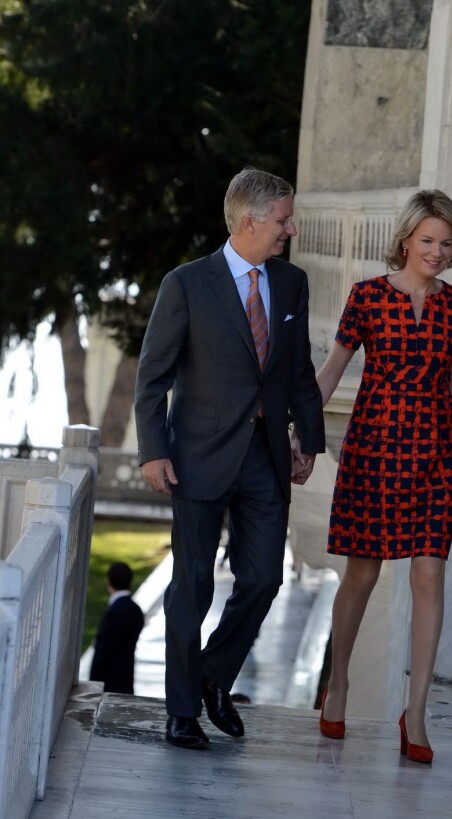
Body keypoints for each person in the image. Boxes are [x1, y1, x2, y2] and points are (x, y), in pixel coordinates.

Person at [134, 167, 325, 751]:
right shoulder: (187, 284)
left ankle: (214, 673)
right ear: (250, 221)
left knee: (264, 578)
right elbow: (152, 377)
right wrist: (152, 452)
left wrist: (309, 439)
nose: (289, 230)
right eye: (283, 220)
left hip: (266, 459)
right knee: (191, 585)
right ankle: (183, 713)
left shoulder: (291, 284)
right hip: (196, 458)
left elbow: (295, 372)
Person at [302, 189, 452, 763]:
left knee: (429, 577)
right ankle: (339, 685)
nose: (437, 251)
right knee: (361, 574)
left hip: (436, 458)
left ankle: (417, 712)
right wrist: (299, 435)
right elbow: (331, 371)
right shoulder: (366, 298)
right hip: (374, 452)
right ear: (406, 239)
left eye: (446, 243)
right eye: (428, 240)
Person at [89, 562, 145, 695]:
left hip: (108, 683)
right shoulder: (136, 610)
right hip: (126, 677)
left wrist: (93, 683)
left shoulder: (113, 613)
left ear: (108, 581)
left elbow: (102, 651)